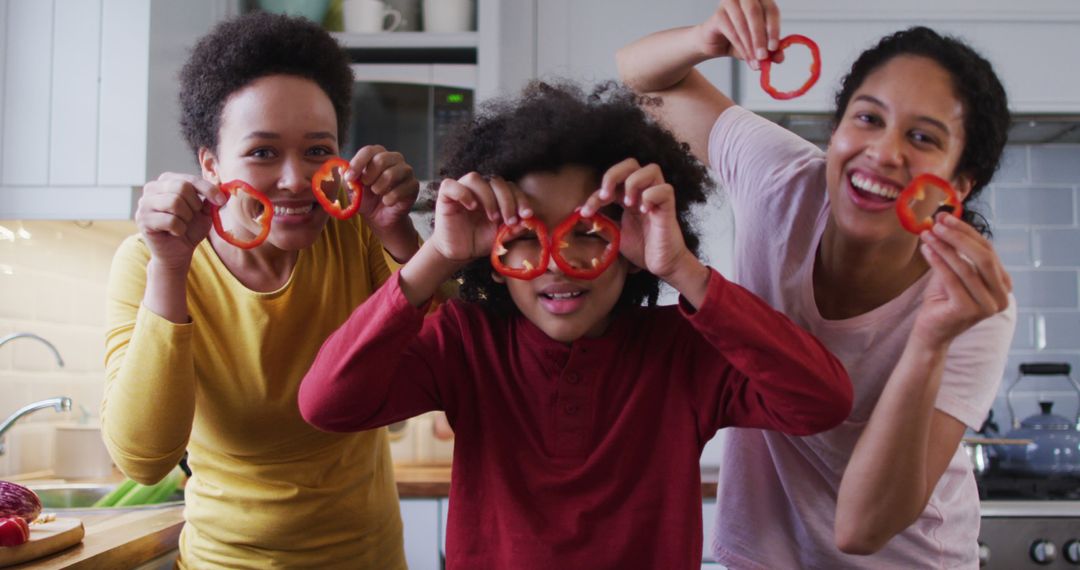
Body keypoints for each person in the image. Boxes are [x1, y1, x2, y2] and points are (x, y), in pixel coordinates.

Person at [297, 80, 854, 569]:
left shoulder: (684, 351)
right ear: (493, 252)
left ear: (632, 245)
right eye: (526, 235)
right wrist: (438, 255)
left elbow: (822, 401)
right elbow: (327, 403)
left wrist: (682, 269)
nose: (559, 262)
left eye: (588, 233)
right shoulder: (467, 340)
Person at [617, 2, 1017, 567]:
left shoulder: (973, 307)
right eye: (868, 118)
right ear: (836, 130)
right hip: (761, 557)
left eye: (923, 138)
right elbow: (643, 77)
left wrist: (931, 340)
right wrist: (704, 38)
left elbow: (861, 529)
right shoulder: (781, 178)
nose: (883, 152)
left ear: (959, 184)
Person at [102, 12, 422, 569]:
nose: (296, 179)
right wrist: (170, 269)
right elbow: (144, 458)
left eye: (318, 150)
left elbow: (453, 368)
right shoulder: (150, 263)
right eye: (263, 152)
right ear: (210, 164)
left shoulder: (359, 237)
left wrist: (400, 234)